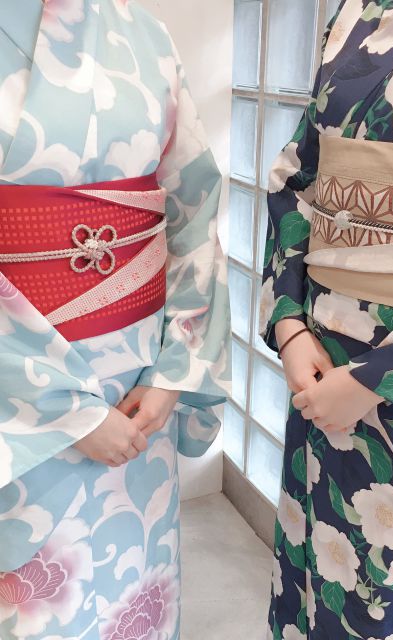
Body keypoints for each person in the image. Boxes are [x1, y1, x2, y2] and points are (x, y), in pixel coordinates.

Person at [0, 1, 230, 638]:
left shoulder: (144, 34)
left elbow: (194, 209)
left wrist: (173, 370)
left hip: (140, 386)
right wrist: (65, 411)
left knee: (134, 592)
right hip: (17, 404)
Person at [261, 1, 393, 638]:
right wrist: (289, 323)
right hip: (318, 362)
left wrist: (378, 378)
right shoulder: (358, 11)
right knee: (308, 579)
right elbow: (299, 173)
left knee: (392, 601)